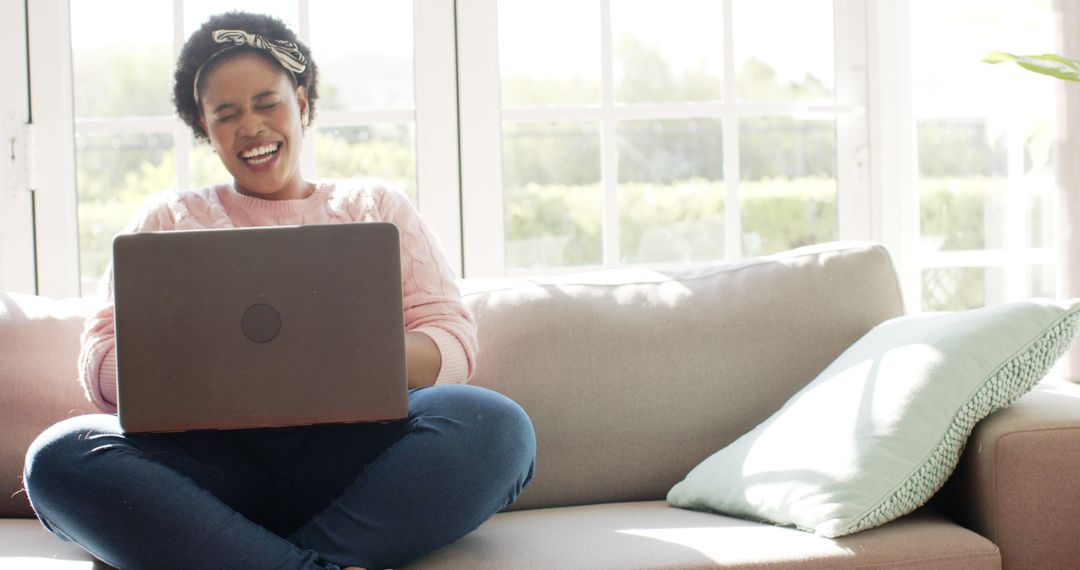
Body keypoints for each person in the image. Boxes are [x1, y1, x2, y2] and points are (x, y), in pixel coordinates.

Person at [22, 11, 536, 570]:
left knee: (497, 428)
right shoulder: (168, 218)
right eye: (227, 114)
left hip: (354, 464)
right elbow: (100, 362)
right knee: (57, 458)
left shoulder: (374, 207)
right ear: (204, 127)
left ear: (303, 104)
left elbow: (452, 346)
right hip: (209, 473)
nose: (251, 126)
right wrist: (197, 357)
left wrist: (350, 345)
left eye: (267, 103)